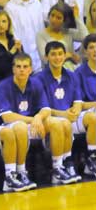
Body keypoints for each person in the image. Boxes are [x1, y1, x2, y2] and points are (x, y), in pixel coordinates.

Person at [0, 52, 77, 185]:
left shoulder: (35, 83)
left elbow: (46, 109)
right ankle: (20, 172)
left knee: (58, 123)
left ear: (30, 69)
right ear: (13, 69)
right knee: (20, 126)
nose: (22, 69)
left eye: (25, 66)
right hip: (10, 127)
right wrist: (34, 120)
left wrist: (38, 117)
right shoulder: (3, 86)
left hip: (32, 124)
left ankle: (57, 168)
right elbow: (6, 116)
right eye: (18, 66)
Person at [37, 41, 96, 178]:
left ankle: (91, 159)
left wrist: (75, 110)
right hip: (49, 121)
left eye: (60, 54)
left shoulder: (71, 75)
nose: (57, 58)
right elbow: (43, 109)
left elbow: (78, 101)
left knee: (92, 118)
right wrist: (64, 114)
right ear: (46, 57)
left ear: (65, 56)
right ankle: (58, 167)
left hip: (69, 118)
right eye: (53, 54)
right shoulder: (39, 78)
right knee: (59, 123)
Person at [5, 0, 44, 72]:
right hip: (23, 53)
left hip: (40, 52)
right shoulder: (10, 7)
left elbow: (41, 27)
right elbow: (13, 32)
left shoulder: (37, 3)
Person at [36, 3, 88, 68]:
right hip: (51, 72)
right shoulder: (41, 35)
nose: (53, 20)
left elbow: (85, 36)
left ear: (65, 21)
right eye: (52, 15)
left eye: (58, 18)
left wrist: (77, 17)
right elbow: (45, 59)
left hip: (71, 69)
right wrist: (69, 55)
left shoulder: (68, 32)